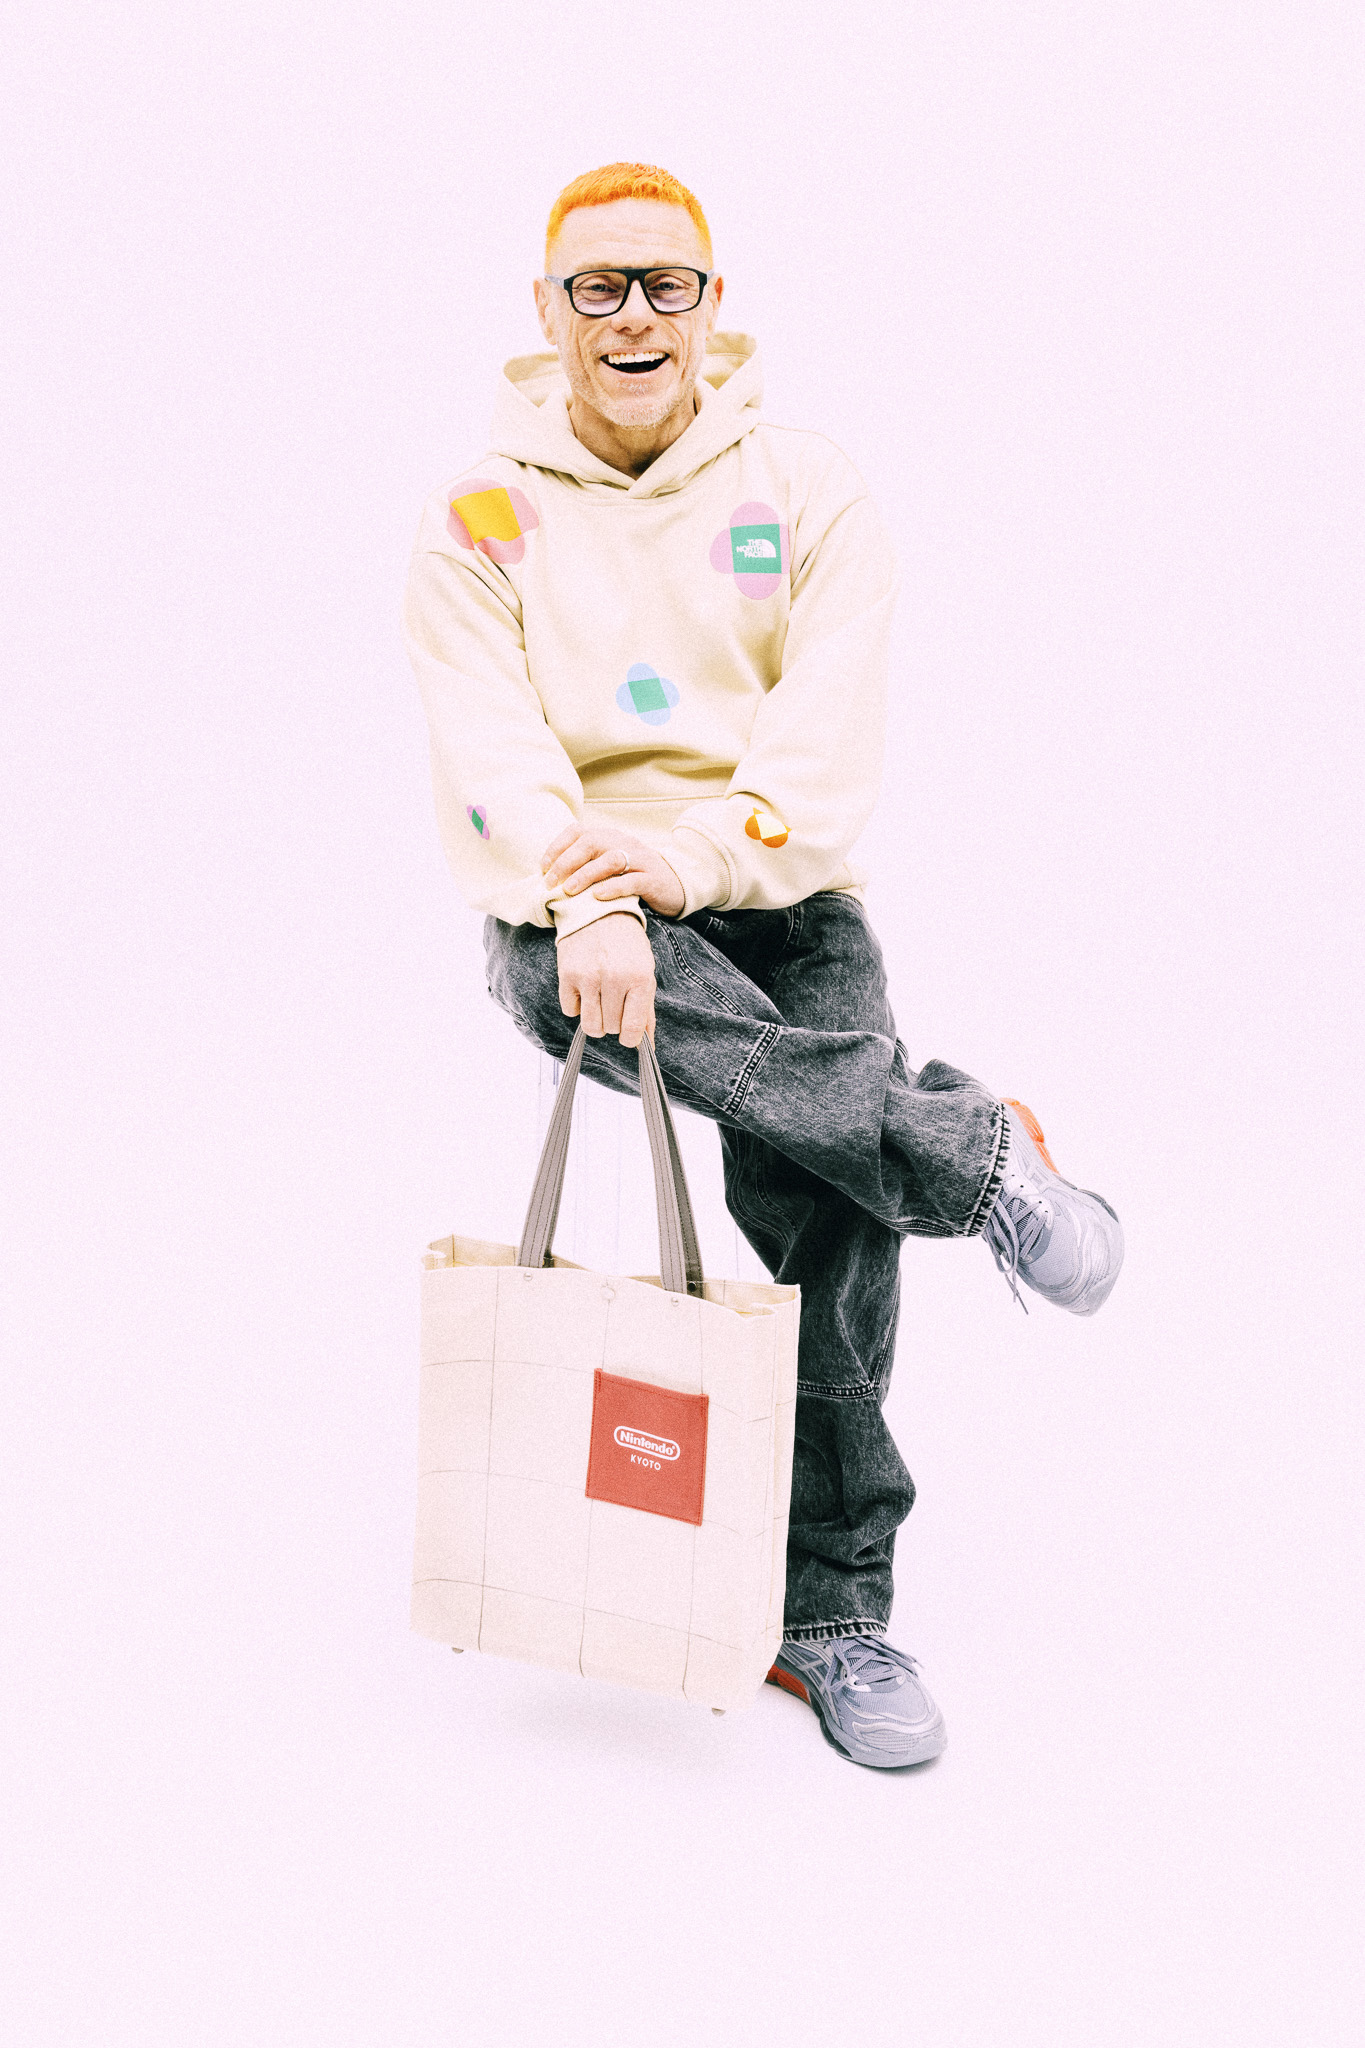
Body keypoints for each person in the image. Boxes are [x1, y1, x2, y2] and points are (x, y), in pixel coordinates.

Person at [404, 161, 1123, 1770]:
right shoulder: (477, 519)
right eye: (598, 287)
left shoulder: (802, 485)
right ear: (546, 312)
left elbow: (824, 740)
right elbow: (490, 748)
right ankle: (972, 1151)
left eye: (665, 284)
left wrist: (700, 857)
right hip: (583, 907)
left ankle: (831, 1614)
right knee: (575, 990)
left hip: (779, 888)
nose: (633, 315)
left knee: (823, 1206)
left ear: (712, 307)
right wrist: (594, 898)